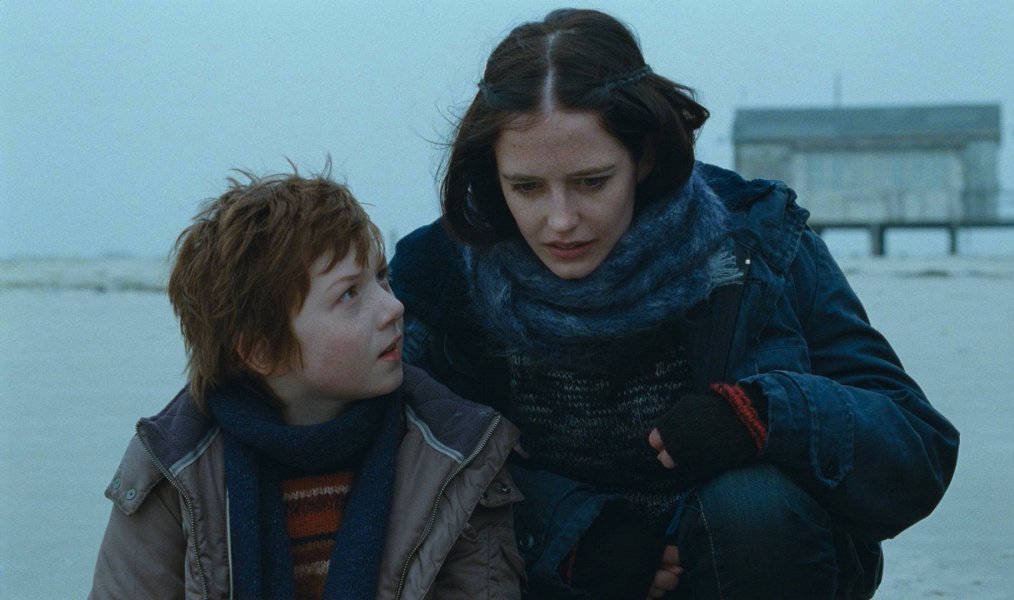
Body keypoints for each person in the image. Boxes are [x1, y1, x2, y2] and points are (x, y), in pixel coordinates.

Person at [390, 8, 959, 599]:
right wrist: (572, 537)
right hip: (544, 582)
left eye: (591, 181)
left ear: (644, 156)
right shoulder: (438, 277)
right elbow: (396, 463)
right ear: (493, 172)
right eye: (527, 187)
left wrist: (766, 416)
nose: (560, 220)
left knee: (753, 506)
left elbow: (919, 451)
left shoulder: (757, 245)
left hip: (744, 568)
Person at [89, 166, 525, 599]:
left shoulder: (456, 455)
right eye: (348, 294)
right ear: (262, 351)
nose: (393, 307)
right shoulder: (173, 466)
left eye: (380, 276)